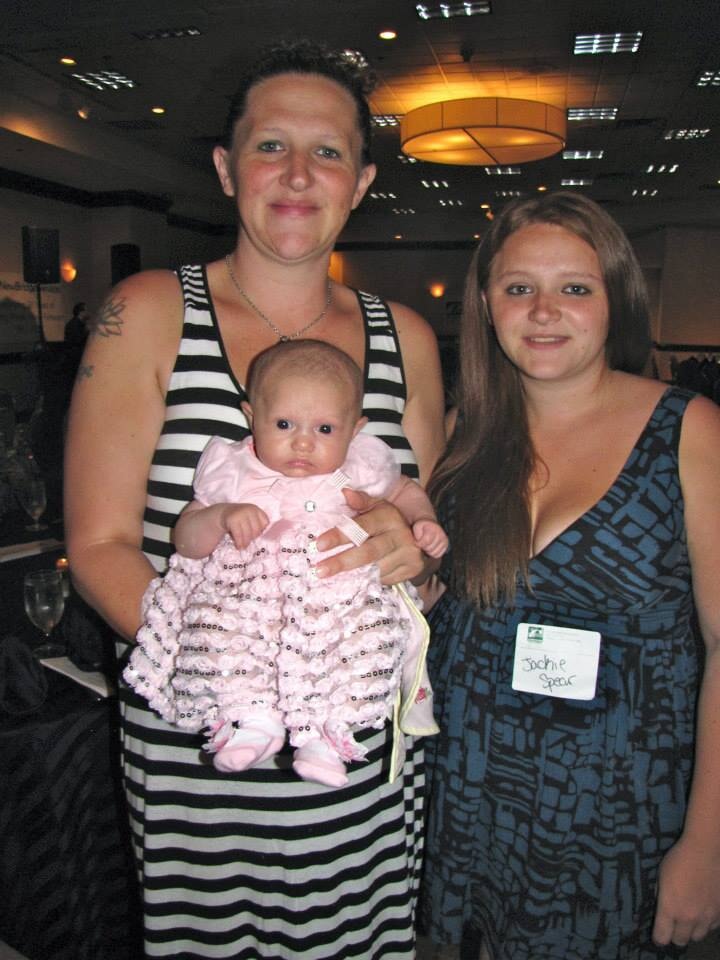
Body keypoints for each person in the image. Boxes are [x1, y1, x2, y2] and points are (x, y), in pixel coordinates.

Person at [64, 39, 445, 960]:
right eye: (272, 146)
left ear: (360, 182)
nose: (298, 174)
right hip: (203, 735)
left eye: (329, 152)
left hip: (353, 730)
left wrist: (418, 564)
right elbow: (101, 542)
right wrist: (224, 667)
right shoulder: (149, 310)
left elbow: (425, 550)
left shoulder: (410, 340)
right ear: (228, 169)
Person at [420, 191, 720, 959]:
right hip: (475, 785)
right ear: (487, 305)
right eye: (519, 287)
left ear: (616, 299)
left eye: (574, 288)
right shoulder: (462, 437)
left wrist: (707, 843)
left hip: (620, 806)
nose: (544, 311)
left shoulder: (687, 429)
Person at [124, 339, 446, 787]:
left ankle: (326, 736)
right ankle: (249, 721)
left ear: (356, 429)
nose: (302, 441)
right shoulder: (233, 468)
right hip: (247, 592)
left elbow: (405, 491)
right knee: (224, 636)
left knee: (357, 642)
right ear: (251, 416)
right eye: (283, 423)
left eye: (325, 430)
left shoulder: (360, 466)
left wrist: (424, 520)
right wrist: (221, 517)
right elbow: (187, 541)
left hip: (334, 586)